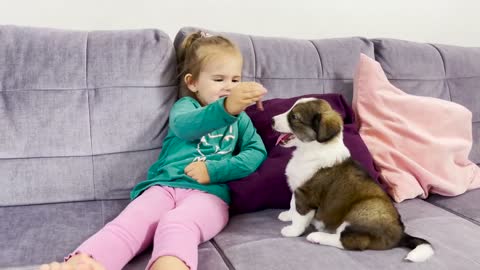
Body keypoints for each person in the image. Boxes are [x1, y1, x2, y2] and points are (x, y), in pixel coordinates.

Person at [39, 31, 267, 270]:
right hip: (164, 187)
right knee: (132, 222)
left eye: (235, 80)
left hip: (209, 196)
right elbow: (187, 127)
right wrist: (227, 107)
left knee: (178, 223)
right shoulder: (185, 107)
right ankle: (85, 264)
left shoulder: (240, 120)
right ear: (193, 83)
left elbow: (256, 152)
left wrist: (215, 170)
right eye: (219, 79)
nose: (229, 87)